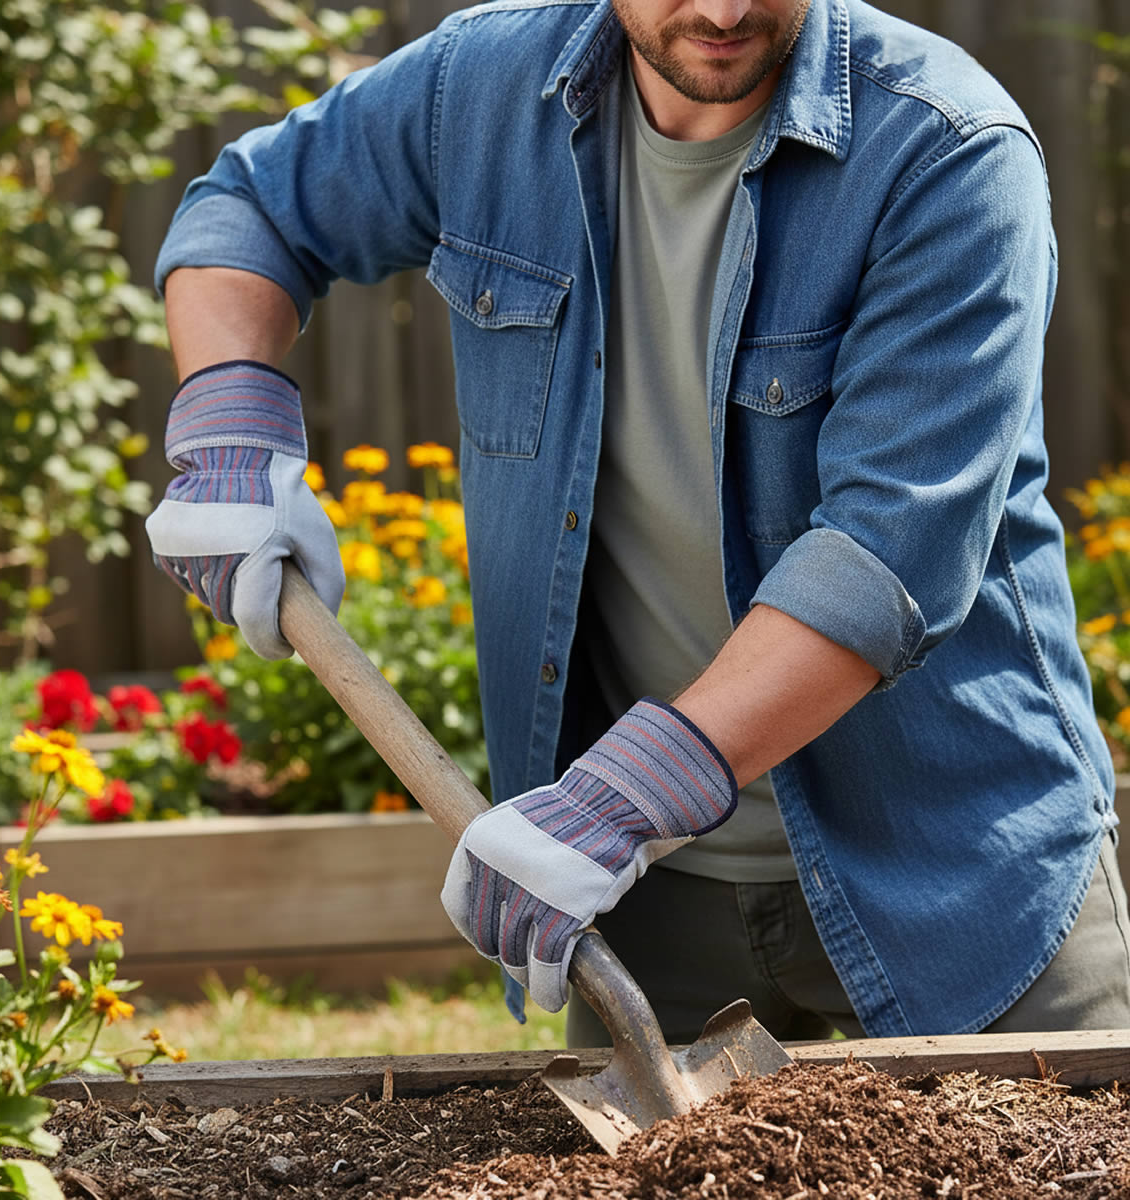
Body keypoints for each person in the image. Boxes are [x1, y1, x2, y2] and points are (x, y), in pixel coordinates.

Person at [146, 0, 1130, 1042]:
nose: (720, 10)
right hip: (654, 911)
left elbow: (884, 558)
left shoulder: (946, 149)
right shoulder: (476, 91)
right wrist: (230, 427)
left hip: (956, 881)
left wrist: (618, 800)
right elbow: (250, 209)